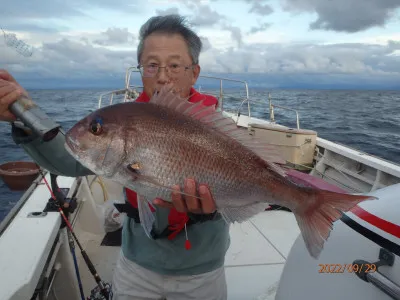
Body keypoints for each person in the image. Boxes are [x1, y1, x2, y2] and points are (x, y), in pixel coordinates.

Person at [0, 14, 230, 300]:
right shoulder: (125, 124)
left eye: (174, 65)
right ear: (140, 69)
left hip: (202, 271)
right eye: (152, 65)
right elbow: (70, 159)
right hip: (137, 266)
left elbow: (240, 180)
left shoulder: (218, 132)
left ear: (194, 72)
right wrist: (26, 115)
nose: (162, 76)